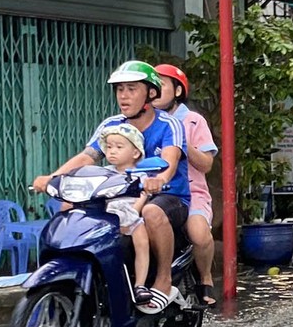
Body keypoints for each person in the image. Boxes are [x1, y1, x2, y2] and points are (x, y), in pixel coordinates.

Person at [34, 61, 186, 306]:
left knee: (151, 212)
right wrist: (53, 177)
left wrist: (159, 180)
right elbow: (88, 157)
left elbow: (170, 160)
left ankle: (163, 279)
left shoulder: (169, 124)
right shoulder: (111, 125)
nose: (123, 96)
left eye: (131, 89)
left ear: (151, 93)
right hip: (119, 195)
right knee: (69, 210)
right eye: (119, 89)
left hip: (168, 196)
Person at [59, 122, 161, 308]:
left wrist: (133, 213)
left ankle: (140, 284)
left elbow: (143, 196)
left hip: (130, 215)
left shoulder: (141, 174)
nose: (112, 151)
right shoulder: (103, 173)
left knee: (141, 240)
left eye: (119, 147)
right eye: (109, 147)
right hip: (106, 216)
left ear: (136, 152)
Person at [155, 64, 218, 307]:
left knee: (199, 234)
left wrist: (181, 142)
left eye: (161, 85)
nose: (154, 91)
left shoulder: (193, 121)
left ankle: (205, 277)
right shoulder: (147, 121)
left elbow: (206, 164)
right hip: (153, 192)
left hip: (192, 192)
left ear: (178, 90)